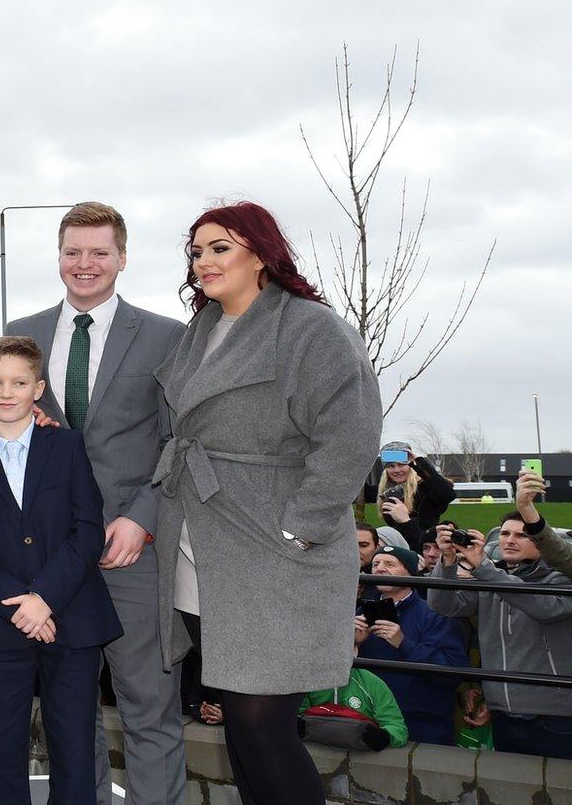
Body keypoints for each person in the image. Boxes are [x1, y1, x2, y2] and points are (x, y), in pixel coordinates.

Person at [153, 202, 382, 805]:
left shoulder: (310, 328)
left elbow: (351, 436)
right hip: (200, 549)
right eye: (197, 251)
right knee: (241, 727)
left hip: (273, 554)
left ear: (259, 252)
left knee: (263, 724)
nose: (203, 261)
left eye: (219, 248)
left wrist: (300, 530)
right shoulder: (202, 329)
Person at [6, 201, 186, 805]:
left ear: (123, 258)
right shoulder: (21, 334)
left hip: (130, 551)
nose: (85, 264)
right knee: (67, 711)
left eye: (99, 252)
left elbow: (180, 444)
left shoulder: (168, 337)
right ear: (59, 257)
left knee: (148, 708)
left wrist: (143, 517)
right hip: (54, 558)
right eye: (73, 252)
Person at [0, 336, 120, 805]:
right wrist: (19, 605)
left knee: (74, 746)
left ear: (37, 387)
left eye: (19, 382)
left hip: (72, 618)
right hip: (4, 624)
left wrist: (44, 598)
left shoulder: (67, 446)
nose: (7, 392)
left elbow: (87, 530)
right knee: (1, 747)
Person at [427, 515, 572, 757]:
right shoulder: (491, 576)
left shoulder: (560, 579)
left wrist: (484, 568)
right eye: (505, 534)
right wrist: (448, 560)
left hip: (554, 715)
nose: (509, 541)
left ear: (543, 541)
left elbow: (544, 609)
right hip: (502, 711)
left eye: (521, 535)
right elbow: (444, 605)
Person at [355, 545, 467, 744]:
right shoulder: (359, 612)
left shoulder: (434, 614)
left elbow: (452, 673)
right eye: (375, 564)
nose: (380, 569)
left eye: (390, 564)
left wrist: (404, 644)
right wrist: (354, 644)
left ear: (410, 572)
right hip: (368, 717)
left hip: (422, 724)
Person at [363, 441, 454, 552]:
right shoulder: (386, 491)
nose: (397, 470)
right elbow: (358, 491)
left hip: (425, 550)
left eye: (401, 464)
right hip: (398, 550)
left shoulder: (426, 487)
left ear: (410, 465)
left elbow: (447, 493)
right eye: (391, 466)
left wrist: (419, 462)